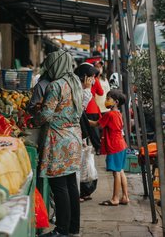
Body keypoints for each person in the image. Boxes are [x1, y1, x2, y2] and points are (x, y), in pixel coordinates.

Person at [37, 50, 83, 237]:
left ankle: (61, 230)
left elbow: (46, 116)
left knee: (58, 185)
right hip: (74, 138)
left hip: (58, 141)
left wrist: (35, 114)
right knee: (71, 183)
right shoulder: (75, 83)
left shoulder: (55, 86)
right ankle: (73, 227)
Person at [89, 89, 129, 206]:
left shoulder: (110, 114)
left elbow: (97, 124)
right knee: (121, 171)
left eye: (108, 99)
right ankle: (125, 196)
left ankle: (115, 198)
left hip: (114, 146)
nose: (106, 101)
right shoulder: (118, 114)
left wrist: (84, 120)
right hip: (121, 144)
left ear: (115, 102)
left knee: (116, 173)